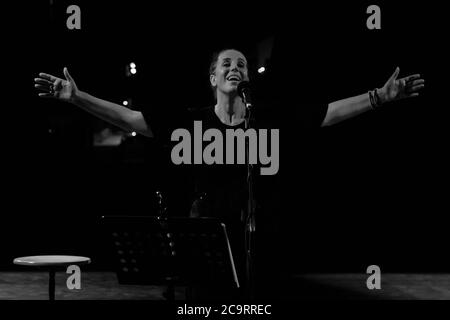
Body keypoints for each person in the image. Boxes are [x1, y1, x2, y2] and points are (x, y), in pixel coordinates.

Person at [34, 48, 424, 299]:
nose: (234, 67)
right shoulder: (194, 124)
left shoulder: (265, 120)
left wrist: (378, 97)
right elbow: (131, 118)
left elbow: (326, 113)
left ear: (247, 78)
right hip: (205, 248)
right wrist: (77, 98)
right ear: (213, 79)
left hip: (259, 248)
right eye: (227, 63)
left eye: (241, 64)